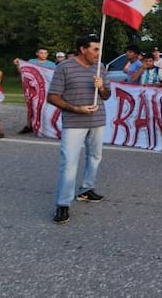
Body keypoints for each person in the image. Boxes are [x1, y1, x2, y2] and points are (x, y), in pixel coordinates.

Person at [47, 35, 112, 224]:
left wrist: (100, 88)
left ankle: (86, 189)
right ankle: (63, 204)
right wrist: (76, 109)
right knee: (69, 162)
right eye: (95, 49)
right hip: (74, 121)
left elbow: (107, 95)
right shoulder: (64, 67)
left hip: (98, 120)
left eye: (99, 49)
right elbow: (52, 97)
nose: (98, 53)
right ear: (83, 49)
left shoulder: (101, 67)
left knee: (95, 156)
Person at [15, 47, 57, 134]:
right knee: (31, 107)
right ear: (37, 54)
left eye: (45, 53)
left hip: (46, 89)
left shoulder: (52, 64)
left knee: (45, 108)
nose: (43, 55)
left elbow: (54, 77)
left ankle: (44, 126)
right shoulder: (31, 62)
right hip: (33, 89)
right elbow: (23, 72)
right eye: (41, 53)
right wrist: (17, 65)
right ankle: (29, 125)